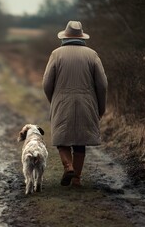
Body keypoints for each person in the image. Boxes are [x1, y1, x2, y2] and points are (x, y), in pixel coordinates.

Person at [42, 20, 108, 187]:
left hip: (62, 101)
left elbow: (46, 84)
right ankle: (77, 179)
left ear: (65, 36)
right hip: (87, 102)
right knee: (80, 141)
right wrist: (101, 107)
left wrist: (54, 100)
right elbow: (102, 85)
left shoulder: (56, 54)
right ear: (81, 37)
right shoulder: (92, 54)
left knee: (61, 139)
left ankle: (68, 166)